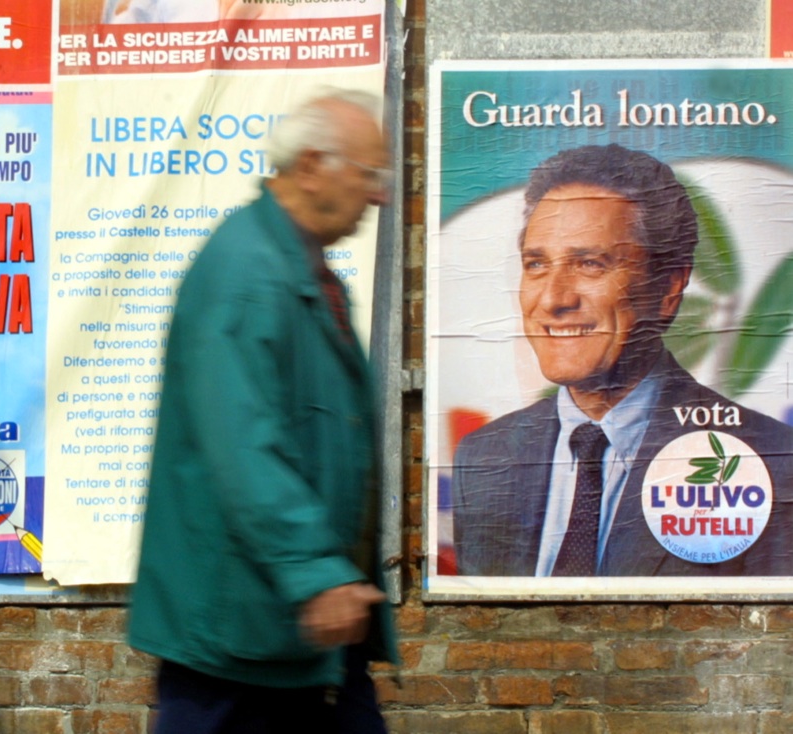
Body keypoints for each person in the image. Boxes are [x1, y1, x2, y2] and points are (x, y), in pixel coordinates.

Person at [127, 89, 397, 733]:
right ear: (312, 166)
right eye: (369, 175)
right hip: (243, 633)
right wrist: (315, 572)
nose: (380, 196)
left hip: (303, 625)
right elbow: (242, 443)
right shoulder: (247, 272)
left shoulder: (300, 270)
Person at [452, 144, 793, 577]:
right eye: (536, 264)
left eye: (590, 264)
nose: (553, 299)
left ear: (669, 288)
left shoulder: (771, 461)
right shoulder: (482, 458)